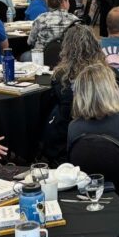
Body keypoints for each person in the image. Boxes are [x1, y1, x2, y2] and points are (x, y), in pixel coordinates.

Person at [44, 25, 105, 163]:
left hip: (66, 137)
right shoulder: (107, 74)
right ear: (95, 45)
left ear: (66, 49)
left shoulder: (61, 77)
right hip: (104, 131)